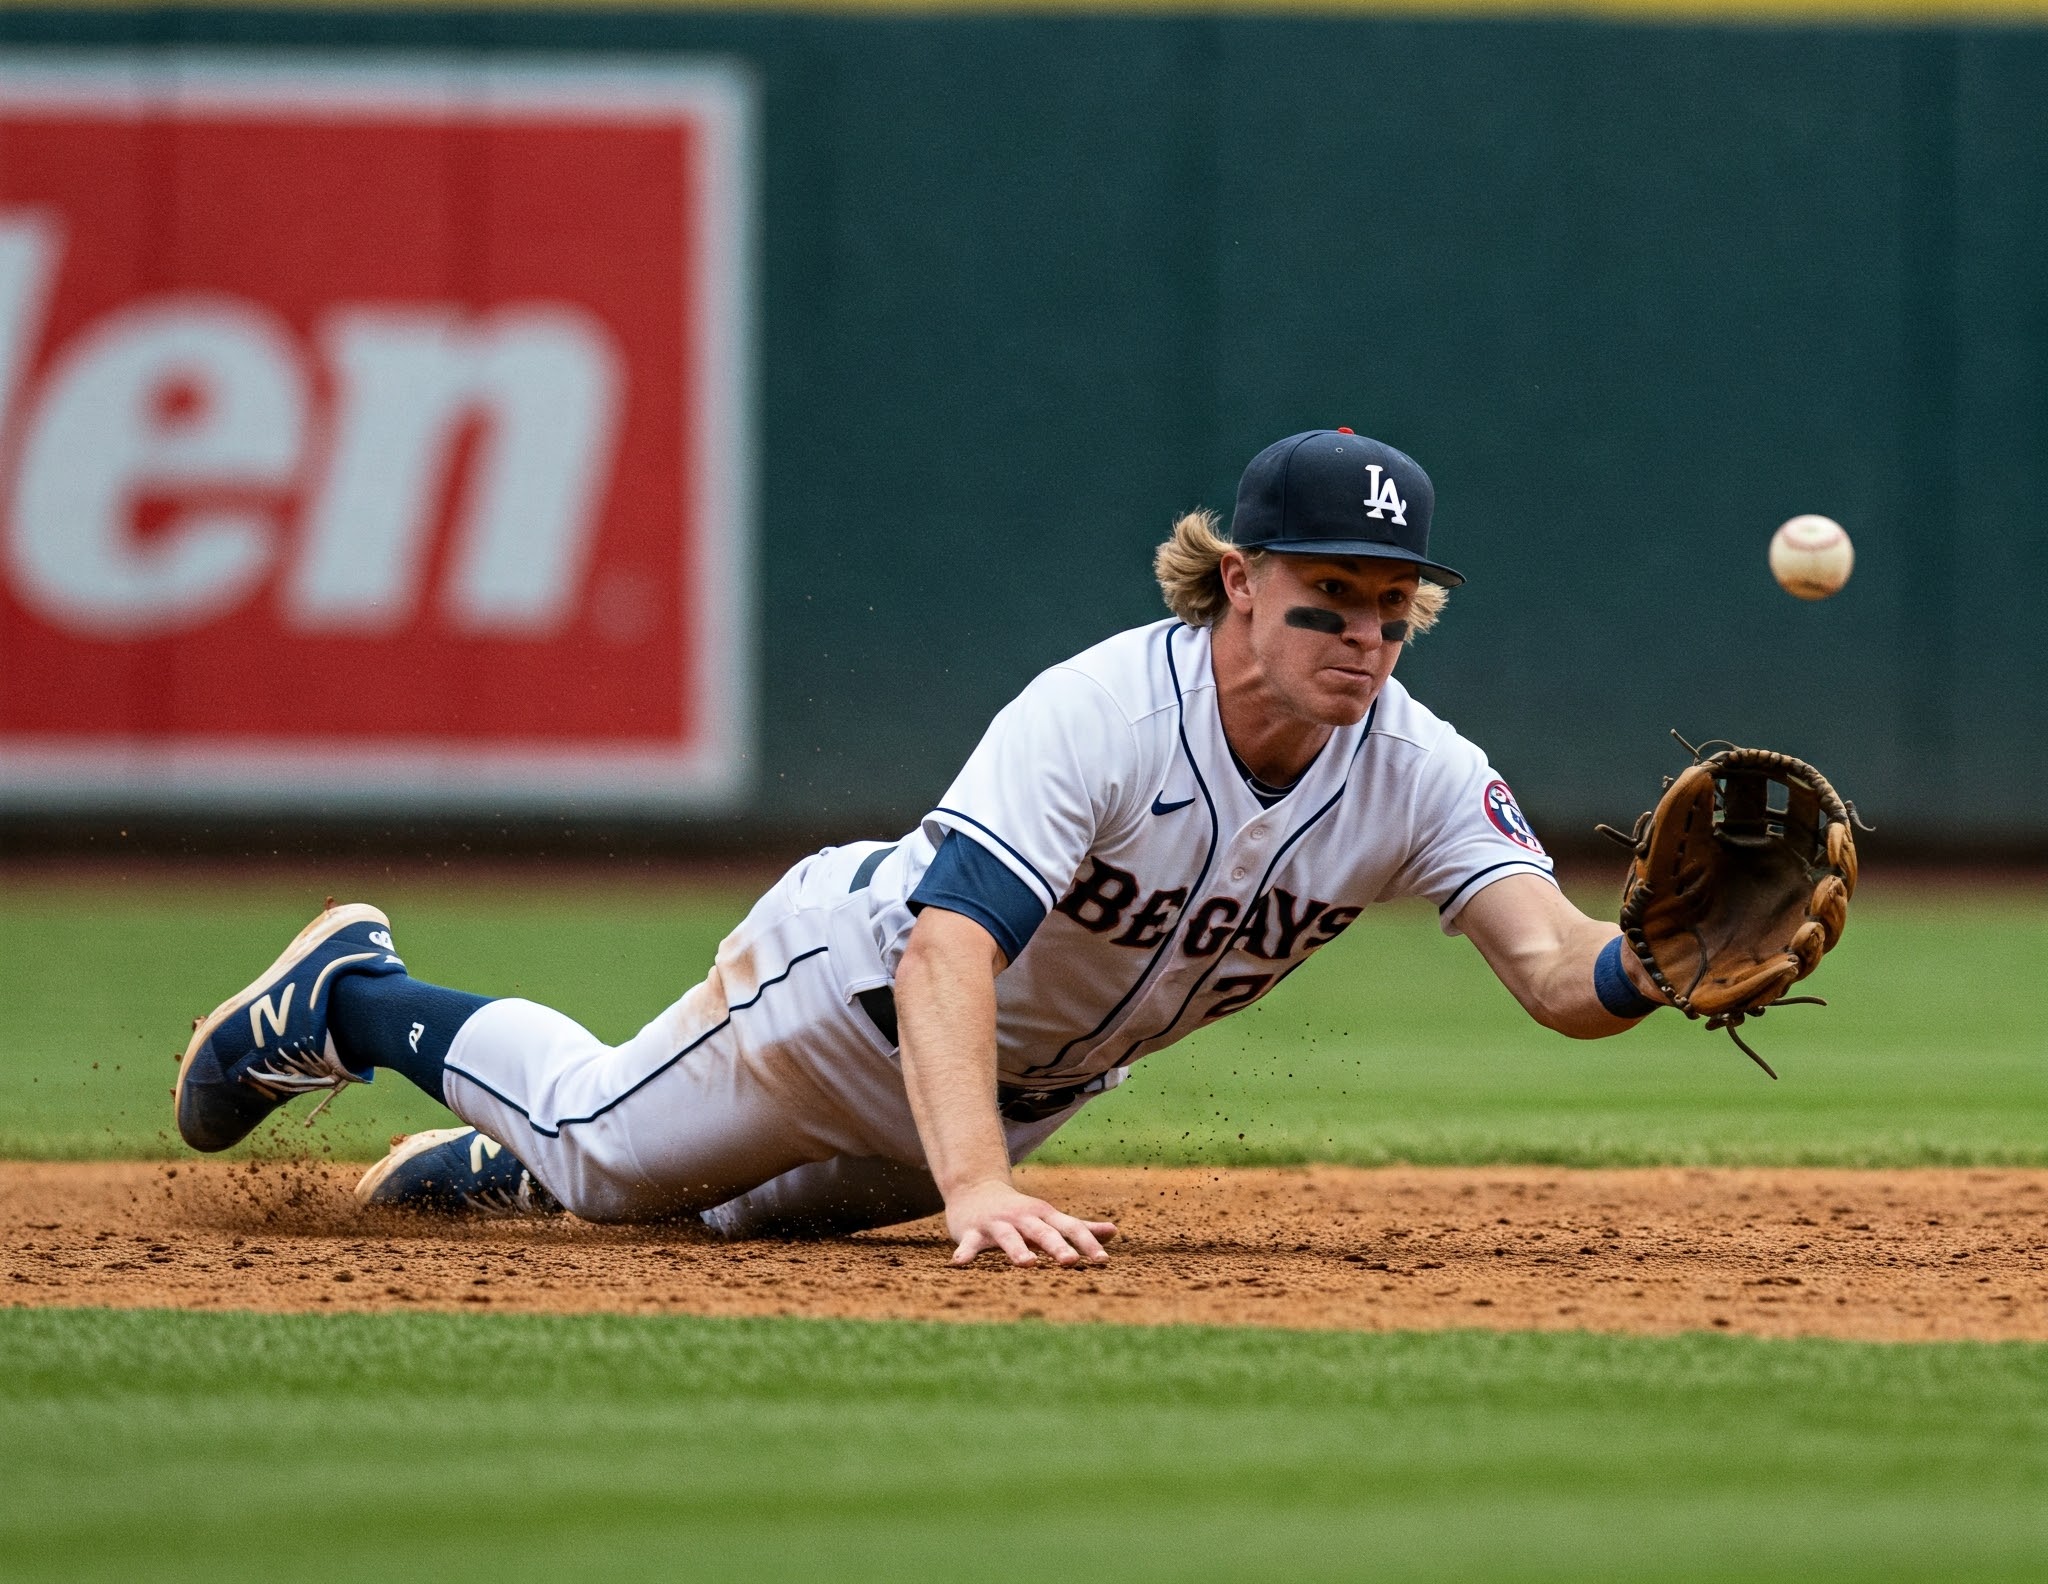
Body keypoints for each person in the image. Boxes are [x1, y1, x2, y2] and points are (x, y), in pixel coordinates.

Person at [177, 430, 1679, 1262]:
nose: (1364, 636)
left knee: (738, 1232)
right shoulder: (1098, 711)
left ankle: (471, 1171)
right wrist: (971, 1191)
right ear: (1237, 581)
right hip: (848, 1002)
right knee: (600, 1157)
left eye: (1391, 607)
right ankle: (347, 996)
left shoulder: (1418, 769)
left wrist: (1655, 962)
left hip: (1018, 1090)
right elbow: (950, 940)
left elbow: (1556, 968)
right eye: (1327, 599)